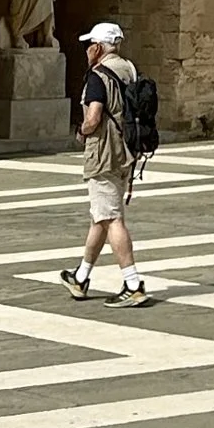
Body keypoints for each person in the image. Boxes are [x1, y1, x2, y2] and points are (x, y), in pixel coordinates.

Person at [60, 20, 151, 306]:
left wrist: (81, 131)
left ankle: (133, 283)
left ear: (98, 47)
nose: (87, 49)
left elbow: (94, 117)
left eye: (90, 45)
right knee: (101, 215)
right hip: (127, 152)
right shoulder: (130, 69)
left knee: (112, 219)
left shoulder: (98, 75)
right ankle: (81, 276)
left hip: (104, 154)